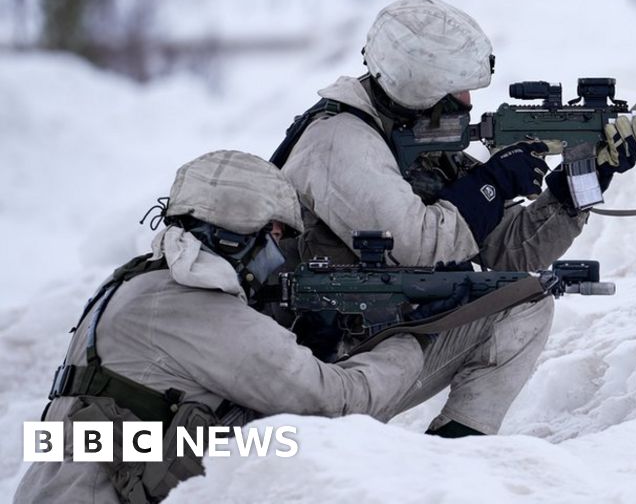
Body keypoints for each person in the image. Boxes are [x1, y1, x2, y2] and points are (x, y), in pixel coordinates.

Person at [275, 0, 636, 438]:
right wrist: (492, 183)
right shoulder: (340, 142)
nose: (469, 103)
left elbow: (511, 253)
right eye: (457, 90)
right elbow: (422, 244)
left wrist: (580, 182)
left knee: (524, 300)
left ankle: (458, 454)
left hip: (381, 334)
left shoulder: (411, 137)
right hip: (321, 365)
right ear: (420, 86)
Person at [15, 150, 427, 504]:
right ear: (236, 238)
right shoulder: (198, 308)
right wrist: (408, 341)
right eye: (275, 235)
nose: (278, 253)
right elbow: (333, 402)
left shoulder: (138, 283)